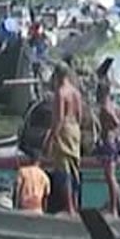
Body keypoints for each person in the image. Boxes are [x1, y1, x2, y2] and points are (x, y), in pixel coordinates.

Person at [42, 64, 83, 214]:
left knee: (63, 169)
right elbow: (79, 115)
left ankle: (70, 207)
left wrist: (51, 137)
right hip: (75, 130)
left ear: (58, 76)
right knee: (74, 168)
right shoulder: (76, 93)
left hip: (64, 130)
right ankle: (76, 204)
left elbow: (58, 119)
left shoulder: (61, 93)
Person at [93, 82, 120, 218]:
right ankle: (119, 209)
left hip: (108, 142)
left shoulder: (105, 107)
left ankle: (114, 209)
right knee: (112, 177)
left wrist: (115, 130)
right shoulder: (114, 105)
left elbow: (116, 122)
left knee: (110, 178)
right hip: (114, 142)